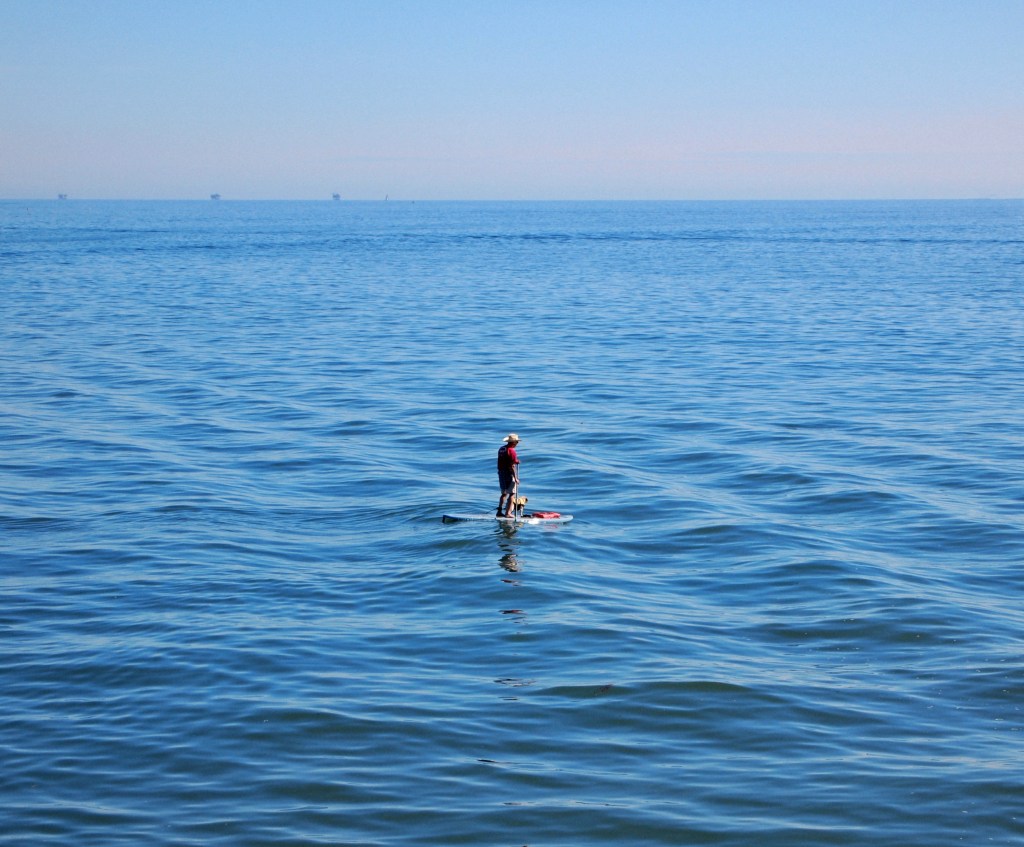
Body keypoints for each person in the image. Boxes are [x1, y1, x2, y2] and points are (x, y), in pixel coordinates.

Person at [496, 433, 520, 517]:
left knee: (504, 493)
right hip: (509, 473)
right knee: (512, 493)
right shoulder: (512, 451)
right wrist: (515, 477)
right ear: (514, 442)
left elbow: (505, 459)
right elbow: (512, 465)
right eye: (517, 442)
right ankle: (508, 513)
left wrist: (515, 460)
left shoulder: (502, 449)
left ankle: (499, 511)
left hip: (501, 472)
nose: (517, 443)